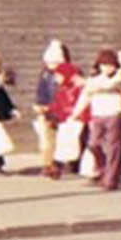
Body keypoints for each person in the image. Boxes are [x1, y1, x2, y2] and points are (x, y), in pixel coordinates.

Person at [82, 47, 121, 190]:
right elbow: (86, 95)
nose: (106, 68)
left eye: (110, 65)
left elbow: (112, 83)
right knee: (93, 144)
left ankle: (111, 179)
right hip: (97, 114)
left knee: (113, 147)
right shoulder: (94, 79)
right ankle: (105, 168)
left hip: (114, 113)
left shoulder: (120, 77)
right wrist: (75, 113)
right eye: (103, 65)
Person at [35, 40, 80, 176]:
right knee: (47, 139)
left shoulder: (73, 73)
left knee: (67, 138)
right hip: (49, 110)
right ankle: (48, 164)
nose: (52, 66)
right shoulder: (45, 75)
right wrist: (40, 105)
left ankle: (71, 162)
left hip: (66, 111)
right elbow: (41, 91)